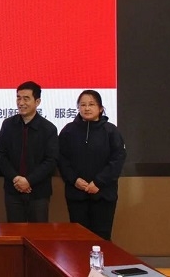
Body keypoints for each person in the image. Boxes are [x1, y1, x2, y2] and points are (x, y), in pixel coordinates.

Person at [58, 90, 126, 240]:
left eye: (91, 104)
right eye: (82, 105)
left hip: (103, 194)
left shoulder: (110, 130)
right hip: (77, 193)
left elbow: (118, 159)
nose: (87, 108)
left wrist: (98, 182)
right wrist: (74, 179)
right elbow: (62, 159)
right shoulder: (68, 130)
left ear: (100, 108)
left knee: (101, 237)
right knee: (79, 238)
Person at [0, 81, 58, 223]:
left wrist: (29, 181)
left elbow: (51, 161)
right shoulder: (8, 125)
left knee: (38, 233)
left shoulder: (48, 129)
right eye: (18, 98)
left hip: (38, 192)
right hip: (13, 190)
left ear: (37, 102)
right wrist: (16, 179)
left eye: (26, 98)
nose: (21, 103)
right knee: (15, 232)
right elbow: (1, 155)